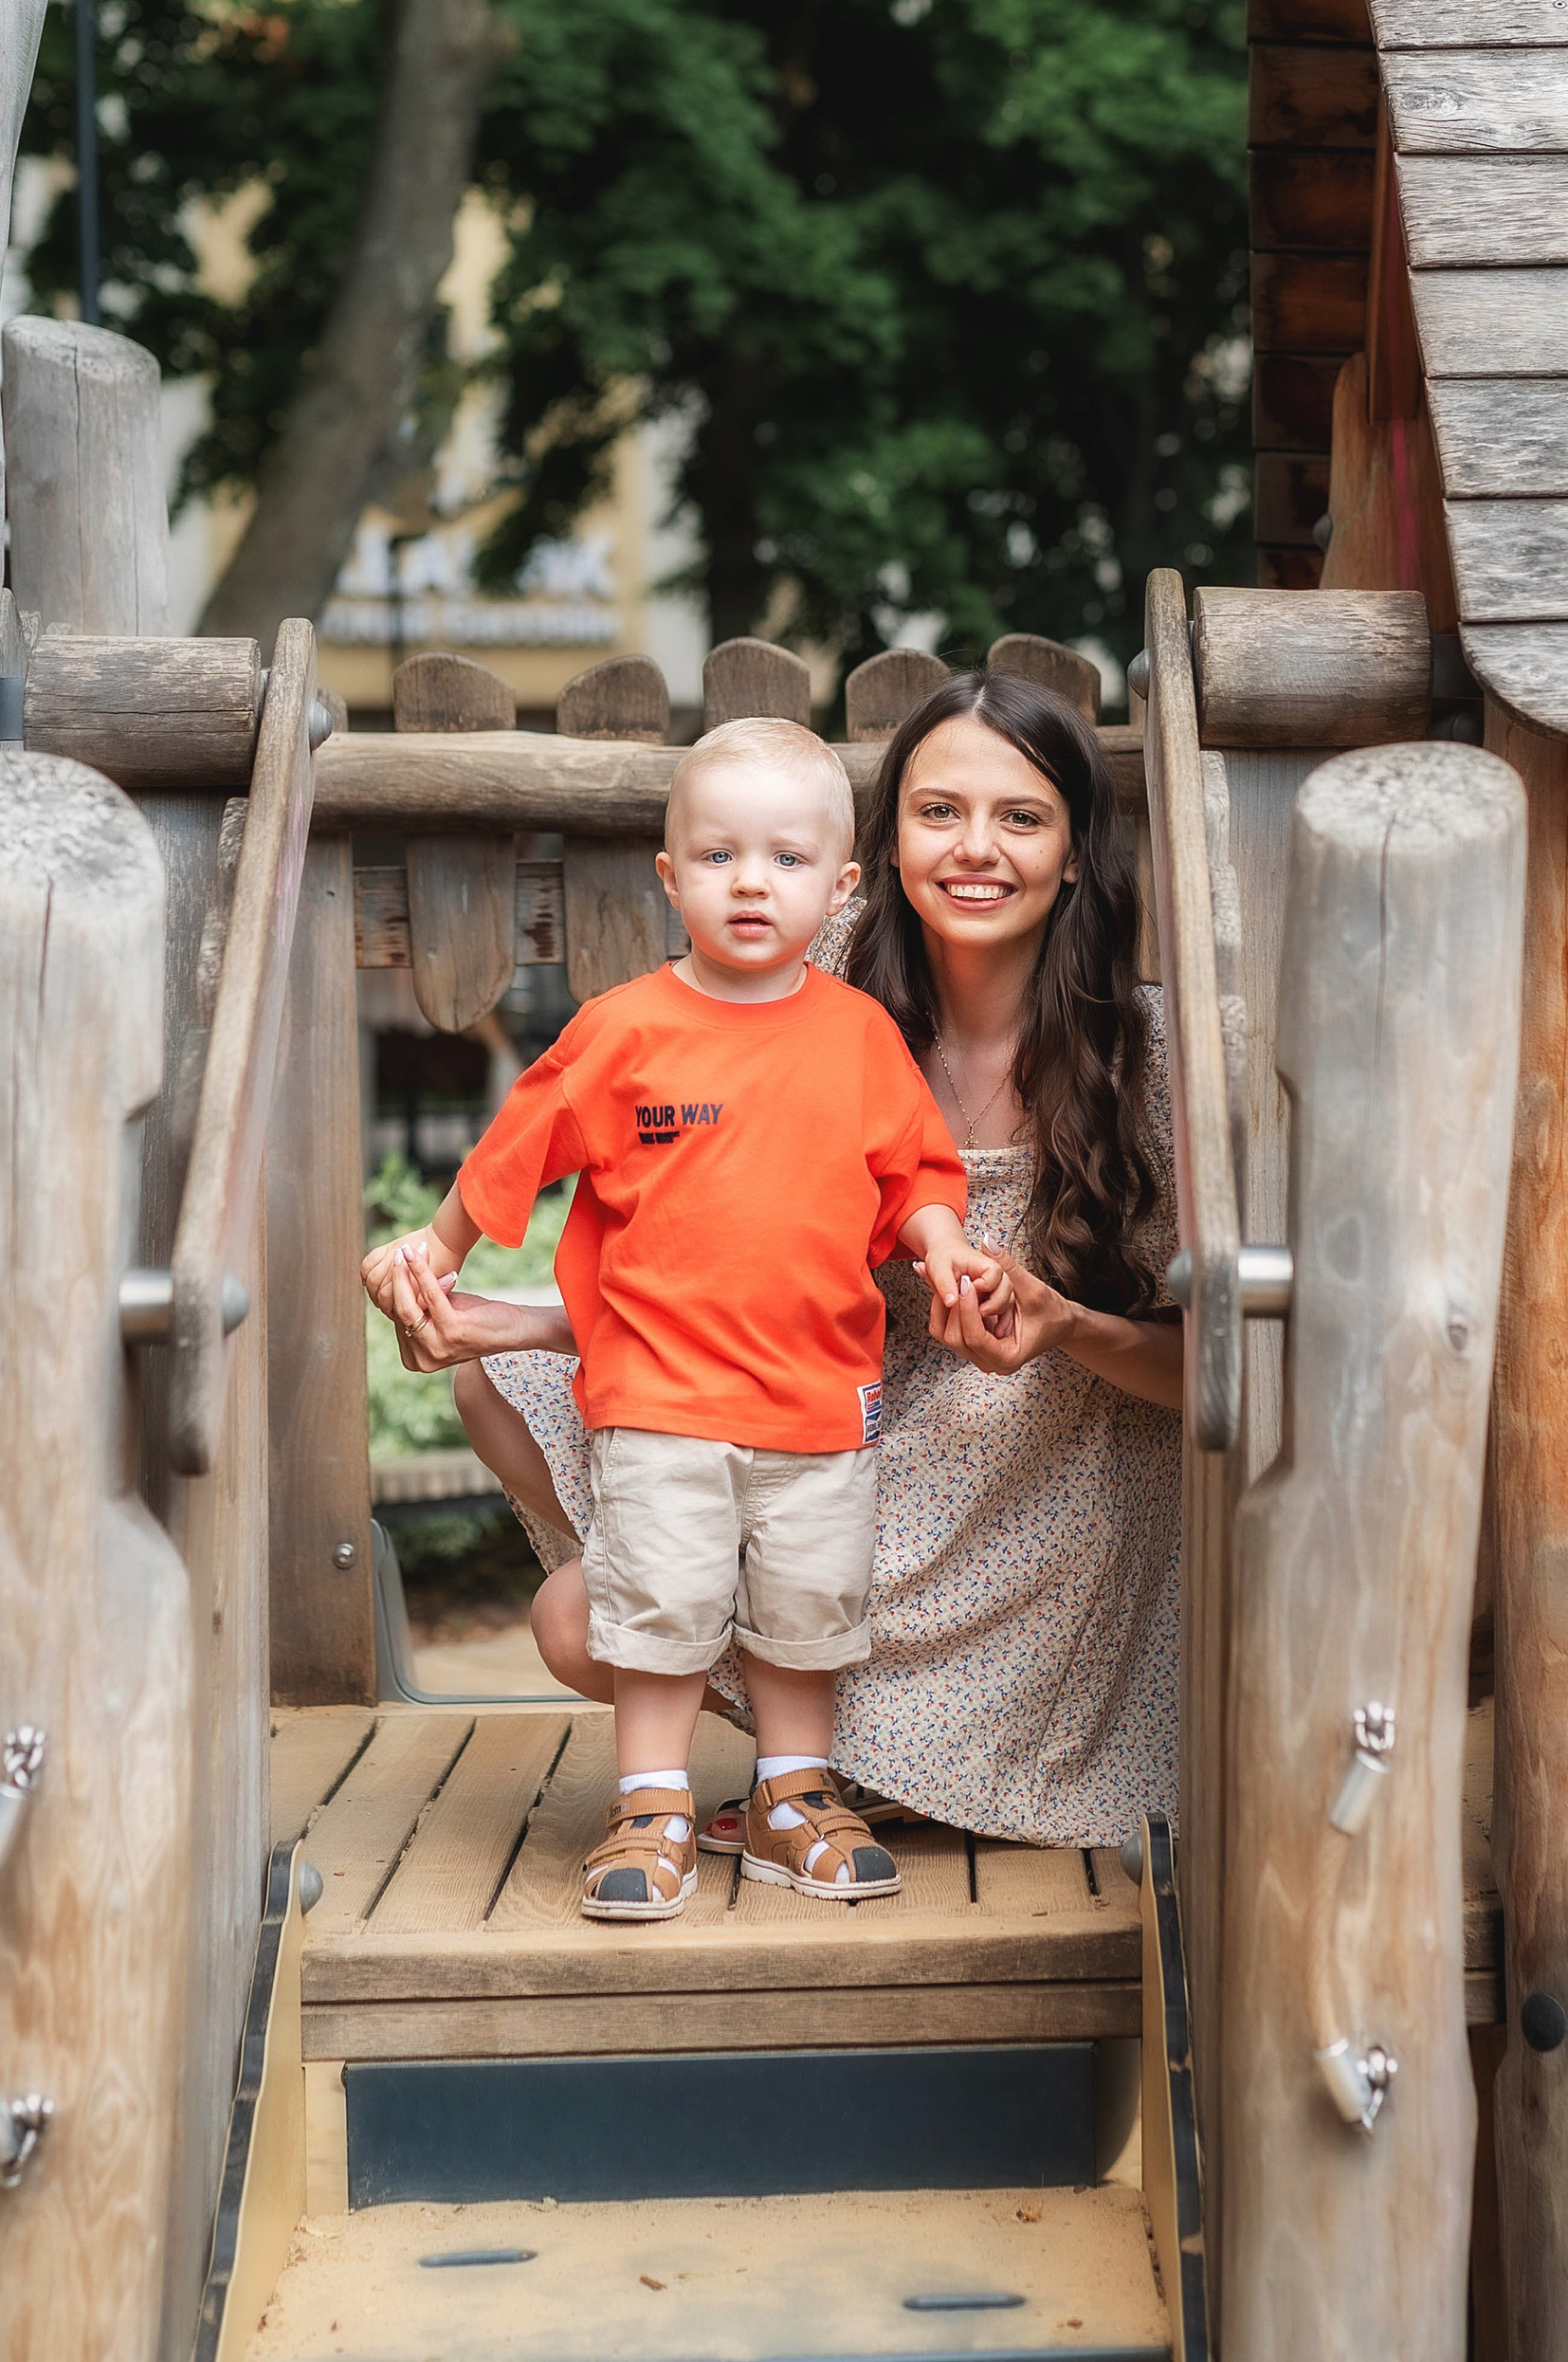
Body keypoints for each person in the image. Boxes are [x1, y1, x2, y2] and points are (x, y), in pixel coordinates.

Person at [446, 668, 1183, 1849]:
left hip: (1042, 1482)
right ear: (882, 847)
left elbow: (1218, 1381)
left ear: (1077, 852)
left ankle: (874, 1750)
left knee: (604, 1609)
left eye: (1022, 816)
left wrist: (1065, 1325)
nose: (974, 848)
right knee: (559, 1568)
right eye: (938, 812)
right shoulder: (811, 968)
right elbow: (715, 1223)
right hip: (823, 1407)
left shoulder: (1144, 1057)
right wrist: (537, 1319)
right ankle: (814, 1752)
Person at [361, 714, 998, 1921]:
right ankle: (650, 1801)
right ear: (670, 876)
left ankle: (789, 1795)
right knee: (657, 1603)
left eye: (786, 860)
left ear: (842, 887)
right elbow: (517, 1147)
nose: (751, 881)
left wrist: (946, 1247)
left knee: (807, 1608)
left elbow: (918, 1172)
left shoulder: (860, 1036)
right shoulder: (622, 1030)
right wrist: (435, 1248)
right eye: (717, 856)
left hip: (818, 1397)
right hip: (655, 1398)